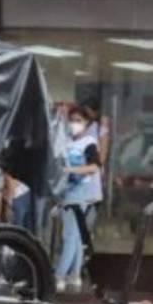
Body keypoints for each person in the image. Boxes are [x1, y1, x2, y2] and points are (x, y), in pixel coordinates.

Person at [55, 105, 102, 293]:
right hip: (70, 191)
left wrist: (70, 170)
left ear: (87, 124)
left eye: (79, 121)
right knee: (74, 236)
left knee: (69, 235)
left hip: (80, 192)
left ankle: (59, 276)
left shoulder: (89, 143)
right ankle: (74, 276)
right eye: (72, 120)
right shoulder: (68, 142)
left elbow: (94, 167)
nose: (74, 124)